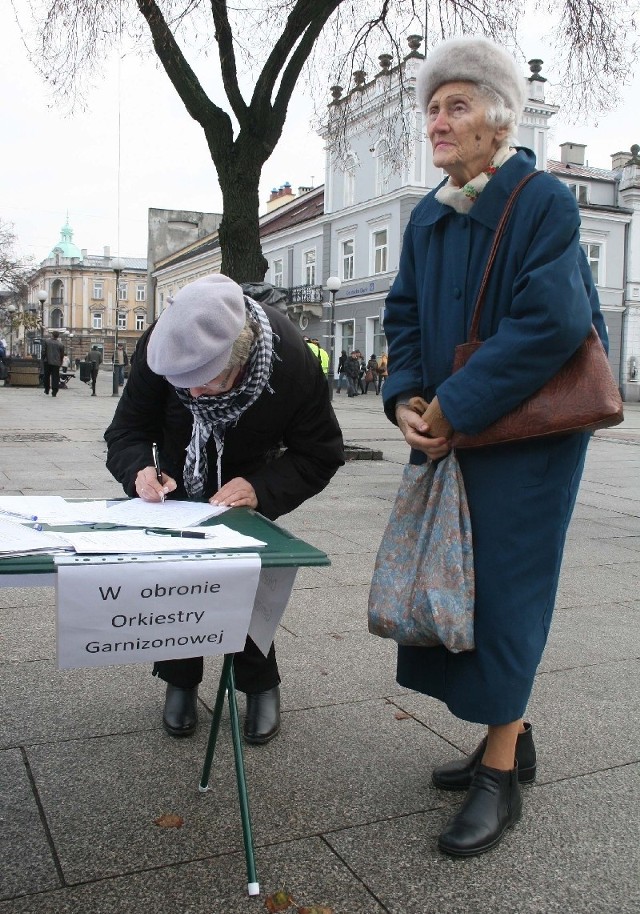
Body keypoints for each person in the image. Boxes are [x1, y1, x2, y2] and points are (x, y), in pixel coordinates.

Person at [382, 36, 607, 858]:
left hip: (527, 441)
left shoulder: (541, 201)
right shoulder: (428, 213)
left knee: (505, 595)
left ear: (498, 116)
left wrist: (455, 406)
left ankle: (500, 778)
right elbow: (402, 320)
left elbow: (553, 322)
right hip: (449, 432)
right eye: (433, 107)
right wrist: (406, 399)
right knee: (459, 592)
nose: (438, 121)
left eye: (458, 105)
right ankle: (507, 738)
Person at [104, 274, 344, 744]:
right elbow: (127, 430)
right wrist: (138, 471)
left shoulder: (289, 360)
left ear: (241, 357)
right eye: (181, 384)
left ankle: (259, 683)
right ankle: (179, 678)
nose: (191, 396)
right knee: (175, 580)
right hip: (177, 475)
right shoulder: (163, 345)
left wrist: (260, 487)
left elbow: (320, 452)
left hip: (248, 477)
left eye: (205, 383)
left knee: (246, 580)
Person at [42, 331, 65, 397]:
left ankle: (47, 389)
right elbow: (62, 355)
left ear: (52, 335)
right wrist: (60, 362)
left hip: (47, 361)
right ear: (58, 336)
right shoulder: (61, 344)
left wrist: (43, 359)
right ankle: (54, 391)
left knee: (46, 376)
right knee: (55, 377)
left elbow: (43, 351)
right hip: (56, 363)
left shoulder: (47, 342)